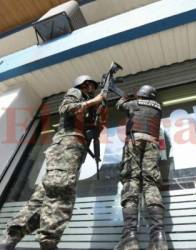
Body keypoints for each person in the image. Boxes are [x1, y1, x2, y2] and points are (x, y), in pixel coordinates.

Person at [0, 75, 107, 250]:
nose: (92, 89)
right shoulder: (76, 92)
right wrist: (94, 101)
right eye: (91, 86)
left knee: (43, 197)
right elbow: (66, 109)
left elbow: (89, 126)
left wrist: (97, 111)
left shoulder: (89, 102)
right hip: (67, 146)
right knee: (61, 192)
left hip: (69, 148)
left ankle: (11, 238)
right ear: (84, 85)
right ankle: (48, 242)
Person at [114, 85, 168, 250]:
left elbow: (119, 105)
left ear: (141, 93)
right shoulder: (157, 107)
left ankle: (129, 238)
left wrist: (126, 96)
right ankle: (158, 237)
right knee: (151, 184)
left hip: (134, 142)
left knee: (132, 182)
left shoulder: (134, 103)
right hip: (152, 144)